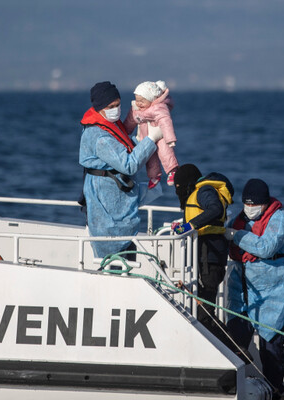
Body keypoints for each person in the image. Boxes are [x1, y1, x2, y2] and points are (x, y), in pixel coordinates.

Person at [224, 178, 284, 399]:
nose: (250, 208)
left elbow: (266, 248)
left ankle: (274, 392)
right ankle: (228, 390)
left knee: (271, 351)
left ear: (265, 204)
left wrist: (237, 236)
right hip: (243, 294)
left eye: (254, 204)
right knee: (233, 345)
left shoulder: (279, 220)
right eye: (247, 204)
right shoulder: (240, 219)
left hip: (274, 294)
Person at [79, 81, 162, 259]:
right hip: (107, 207)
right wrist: (151, 139)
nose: (116, 109)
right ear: (100, 108)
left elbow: (123, 145)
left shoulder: (110, 125)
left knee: (126, 253)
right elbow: (128, 164)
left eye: (118, 105)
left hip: (120, 203)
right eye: (111, 106)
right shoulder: (99, 136)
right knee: (113, 258)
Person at [171, 164, 234, 336]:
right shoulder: (196, 194)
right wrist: (181, 227)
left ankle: (238, 352)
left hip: (211, 259)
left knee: (204, 315)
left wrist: (190, 225)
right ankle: (236, 349)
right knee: (202, 313)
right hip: (202, 258)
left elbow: (215, 209)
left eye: (179, 187)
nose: (178, 191)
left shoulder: (204, 191)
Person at [123, 80, 178, 188]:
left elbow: (165, 121)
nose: (139, 103)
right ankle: (154, 176)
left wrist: (170, 138)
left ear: (151, 99)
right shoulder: (136, 108)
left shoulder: (159, 108)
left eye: (142, 100)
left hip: (161, 135)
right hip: (146, 136)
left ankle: (172, 170)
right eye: (137, 100)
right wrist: (125, 131)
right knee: (150, 158)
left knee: (165, 152)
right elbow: (130, 120)